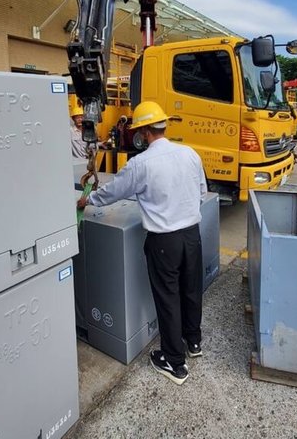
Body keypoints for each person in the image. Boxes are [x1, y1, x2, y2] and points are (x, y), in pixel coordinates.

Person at [77, 101, 207, 385]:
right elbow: (201, 191)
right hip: (192, 236)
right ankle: (193, 342)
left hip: (164, 242)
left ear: (146, 132)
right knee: (190, 289)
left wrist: (88, 200)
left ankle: (175, 363)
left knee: (168, 299)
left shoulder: (141, 164)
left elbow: (114, 192)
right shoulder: (190, 154)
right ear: (163, 126)